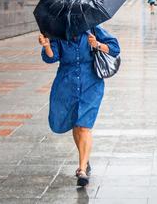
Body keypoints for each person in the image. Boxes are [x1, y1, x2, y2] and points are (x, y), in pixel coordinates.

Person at [38, 27, 120, 187]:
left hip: (91, 84)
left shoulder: (93, 30)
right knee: (76, 125)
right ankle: (85, 158)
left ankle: (82, 169)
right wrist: (46, 45)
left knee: (84, 126)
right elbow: (51, 58)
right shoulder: (57, 34)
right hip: (66, 84)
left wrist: (97, 44)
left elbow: (115, 48)